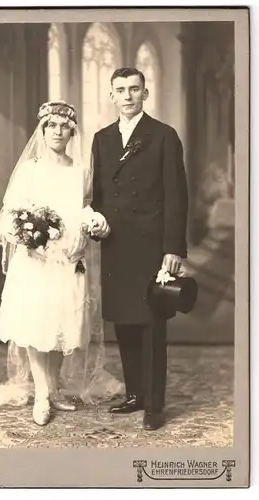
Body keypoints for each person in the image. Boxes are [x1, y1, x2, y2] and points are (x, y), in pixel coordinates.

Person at [0, 101, 123, 426]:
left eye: (65, 127)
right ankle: (41, 393)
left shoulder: (79, 172)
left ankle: (55, 387)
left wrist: (94, 221)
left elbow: (83, 209)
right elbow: (10, 213)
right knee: (38, 326)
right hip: (37, 259)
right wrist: (27, 237)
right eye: (52, 126)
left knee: (62, 325)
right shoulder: (31, 169)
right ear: (43, 130)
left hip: (67, 258)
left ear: (72, 132)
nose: (58, 132)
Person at [90, 67, 188, 431]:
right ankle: (135, 395)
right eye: (121, 90)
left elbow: (177, 197)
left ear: (146, 94)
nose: (128, 96)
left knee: (151, 326)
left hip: (151, 247)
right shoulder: (101, 139)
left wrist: (173, 248)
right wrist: (96, 223)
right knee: (125, 324)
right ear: (111, 96)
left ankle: (155, 406)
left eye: (135, 89)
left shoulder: (163, 136)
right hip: (116, 245)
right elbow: (98, 195)